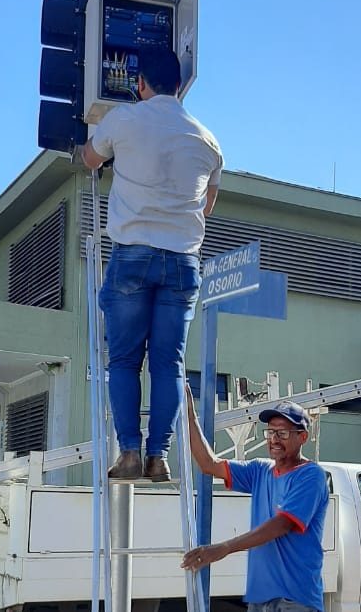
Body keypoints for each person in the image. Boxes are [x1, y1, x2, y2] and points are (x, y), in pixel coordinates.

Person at [81, 46, 223, 482]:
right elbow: (207, 205)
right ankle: (157, 456)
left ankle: (127, 451)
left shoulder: (124, 119)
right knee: (168, 364)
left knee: (123, 360)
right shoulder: (208, 141)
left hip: (133, 254)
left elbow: (90, 158)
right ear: (180, 86)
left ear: (140, 84)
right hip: (182, 262)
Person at [181, 391, 329, 612]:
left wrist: (224, 547)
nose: (274, 439)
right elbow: (208, 464)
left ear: (303, 437)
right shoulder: (260, 470)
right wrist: (189, 416)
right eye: (270, 432)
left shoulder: (310, 476)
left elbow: (282, 524)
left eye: (283, 433)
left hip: (295, 599)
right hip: (260, 598)